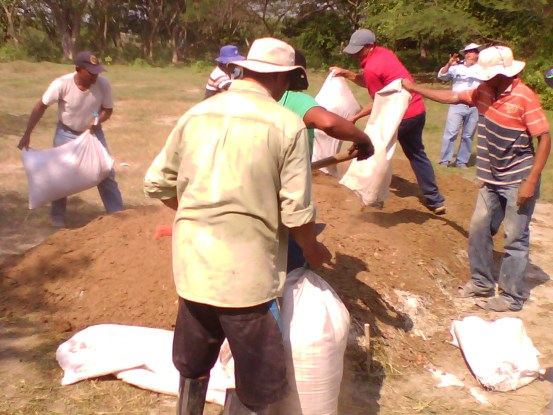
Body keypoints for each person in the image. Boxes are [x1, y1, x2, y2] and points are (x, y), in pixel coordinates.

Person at [144, 37, 331, 414]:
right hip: (247, 279)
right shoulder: (286, 125)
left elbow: (157, 183)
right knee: (256, 377)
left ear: (244, 70)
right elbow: (295, 211)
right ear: (282, 80)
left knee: (193, 365)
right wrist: (314, 251)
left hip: (193, 267)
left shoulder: (197, 114)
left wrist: (194, 212)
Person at [402, 45, 551, 312]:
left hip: (518, 177)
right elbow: (452, 97)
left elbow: (544, 138)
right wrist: (415, 88)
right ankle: (481, 282)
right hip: (491, 177)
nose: (483, 78)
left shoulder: (524, 96)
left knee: (515, 238)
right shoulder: (483, 91)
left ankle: (511, 296)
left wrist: (531, 180)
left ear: (504, 73)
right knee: (480, 228)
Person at [330, 29, 446, 214]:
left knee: (372, 151)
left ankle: (372, 197)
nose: (355, 54)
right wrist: (347, 74)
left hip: (399, 116)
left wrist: (355, 117)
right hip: (416, 110)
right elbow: (370, 83)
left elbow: (378, 101)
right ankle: (435, 200)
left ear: (370, 46)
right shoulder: (385, 54)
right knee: (417, 154)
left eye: (359, 50)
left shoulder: (372, 68)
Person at [279, 49, 374, 272]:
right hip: (287, 182)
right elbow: (329, 123)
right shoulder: (297, 99)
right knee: (292, 236)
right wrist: (363, 139)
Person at [17, 51, 123, 228]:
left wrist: (98, 121)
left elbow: (108, 109)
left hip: (92, 133)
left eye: (97, 71)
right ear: (78, 70)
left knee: (105, 171)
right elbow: (40, 106)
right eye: (91, 72)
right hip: (66, 132)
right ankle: (57, 220)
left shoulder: (103, 84)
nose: (95, 75)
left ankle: (118, 215)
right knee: (60, 176)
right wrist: (27, 133)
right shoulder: (62, 84)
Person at [437, 43, 482, 168]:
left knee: (468, 135)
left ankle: (462, 161)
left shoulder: (483, 69)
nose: (468, 54)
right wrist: (449, 64)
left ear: (477, 54)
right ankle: (445, 160)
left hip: (474, 105)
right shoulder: (457, 67)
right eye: (466, 52)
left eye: (471, 51)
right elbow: (441, 76)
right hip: (456, 103)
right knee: (451, 132)